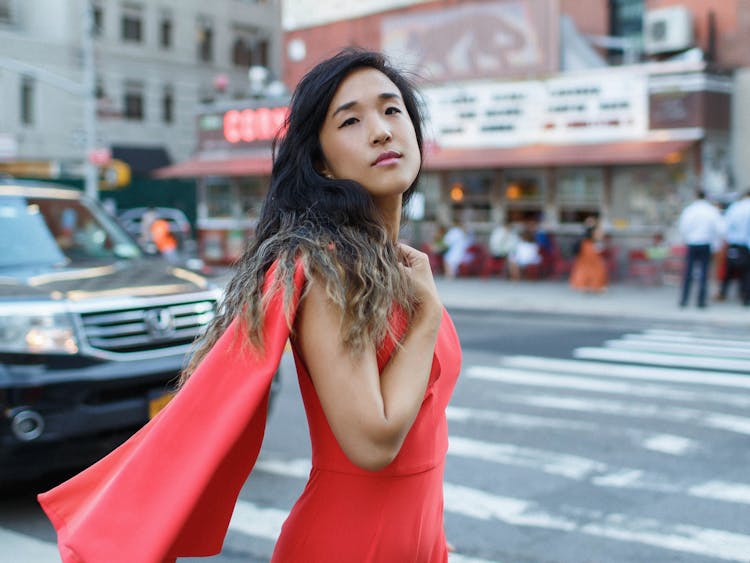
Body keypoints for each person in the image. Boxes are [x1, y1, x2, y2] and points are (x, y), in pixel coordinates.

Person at [37, 49, 461, 563]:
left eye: (392, 110)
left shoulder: (395, 268)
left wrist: (428, 533)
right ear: (321, 162)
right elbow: (373, 445)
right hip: (347, 543)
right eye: (350, 120)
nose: (380, 130)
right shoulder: (330, 269)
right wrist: (429, 319)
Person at [677, 190, 723, 308]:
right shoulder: (711, 210)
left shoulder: (690, 210)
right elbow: (719, 229)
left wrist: (687, 239)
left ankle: (684, 300)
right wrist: (715, 244)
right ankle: (701, 301)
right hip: (705, 243)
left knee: (688, 272)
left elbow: (683, 227)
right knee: (703, 273)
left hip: (692, 243)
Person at [716, 191, 750, 305]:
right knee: (746, 272)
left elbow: (724, 226)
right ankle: (745, 297)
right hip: (745, 245)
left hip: (733, 243)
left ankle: (723, 293)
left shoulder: (735, 207)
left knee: (729, 270)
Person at [569, 220, 608, 293]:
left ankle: (592, 286)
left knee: (594, 272)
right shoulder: (585, 240)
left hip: (591, 260)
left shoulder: (593, 238)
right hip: (586, 259)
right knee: (586, 272)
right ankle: (587, 286)